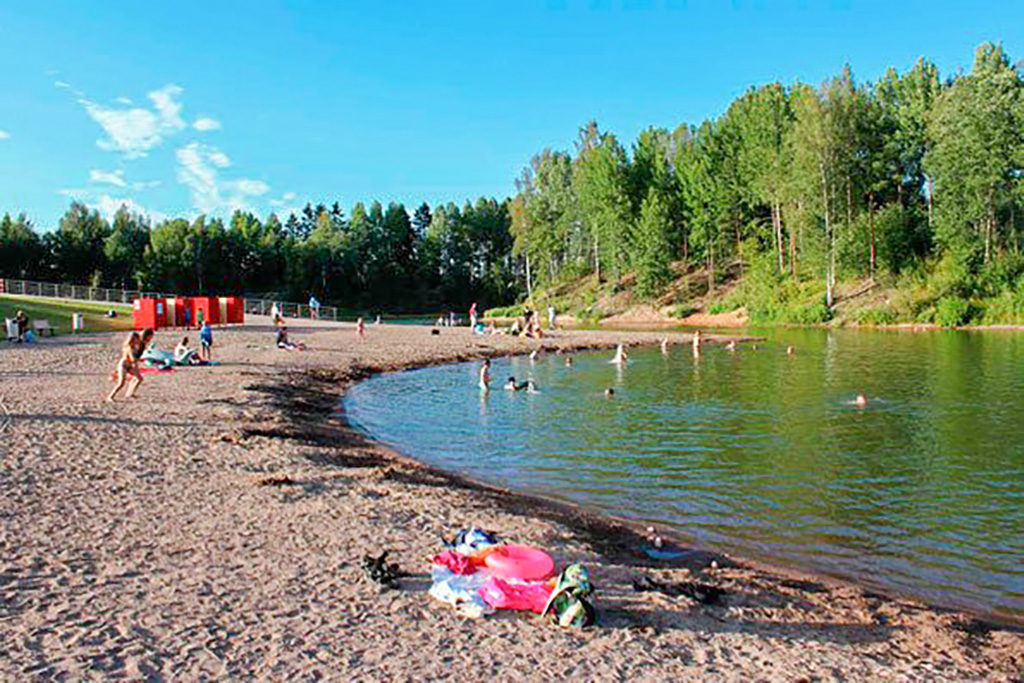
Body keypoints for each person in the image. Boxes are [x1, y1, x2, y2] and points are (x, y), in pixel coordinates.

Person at [107, 331, 144, 402]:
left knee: (139, 378)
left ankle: (130, 393)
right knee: (121, 383)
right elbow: (132, 359)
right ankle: (110, 396)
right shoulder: (129, 347)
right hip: (123, 365)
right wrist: (139, 358)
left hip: (129, 365)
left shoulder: (134, 347)